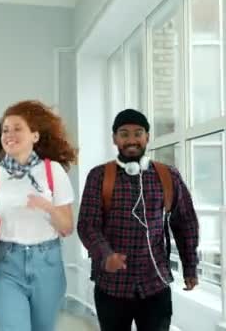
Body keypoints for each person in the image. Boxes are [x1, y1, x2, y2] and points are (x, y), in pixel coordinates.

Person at [77, 109, 200, 331]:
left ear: (147, 137)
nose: (132, 140)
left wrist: (190, 266)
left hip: (155, 283)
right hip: (112, 286)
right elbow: (87, 225)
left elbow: (185, 223)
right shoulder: (99, 176)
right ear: (115, 139)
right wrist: (106, 256)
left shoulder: (168, 175)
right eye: (124, 134)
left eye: (138, 133)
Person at [0, 100, 77, 331]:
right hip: (7, 264)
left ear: (35, 136)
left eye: (17, 128)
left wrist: (48, 207)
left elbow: (67, 228)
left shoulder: (53, 172)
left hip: (47, 263)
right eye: (5, 130)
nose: (9, 134)